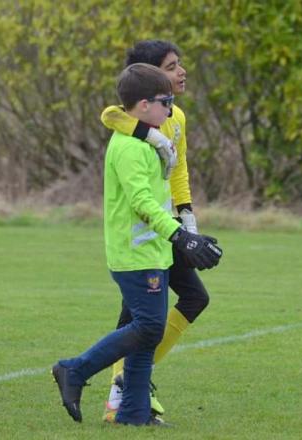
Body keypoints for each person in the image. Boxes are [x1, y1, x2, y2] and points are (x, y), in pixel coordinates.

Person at [52, 63, 222, 426]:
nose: (171, 108)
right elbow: (142, 205)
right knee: (147, 327)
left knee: (148, 335)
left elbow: (160, 199)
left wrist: (185, 231)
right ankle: (75, 370)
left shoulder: (148, 142)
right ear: (143, 105)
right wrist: (181, 236)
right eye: (166, 101)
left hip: (153, 252)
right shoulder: (130, 149)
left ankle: (133, 413)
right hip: (135, 255)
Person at [98, 40, 214, 421]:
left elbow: (178, 170)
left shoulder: (174, 117)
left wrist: (188, 219)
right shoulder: (135, 121)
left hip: (168, 228)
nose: (181, 72)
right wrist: (147, 133)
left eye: (180, 64)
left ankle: (128, 383)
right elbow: (109, 115)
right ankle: (121, 385)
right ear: (147, 79)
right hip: (143, 236)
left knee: (186, 300)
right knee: (143, 314)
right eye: (171, 66)